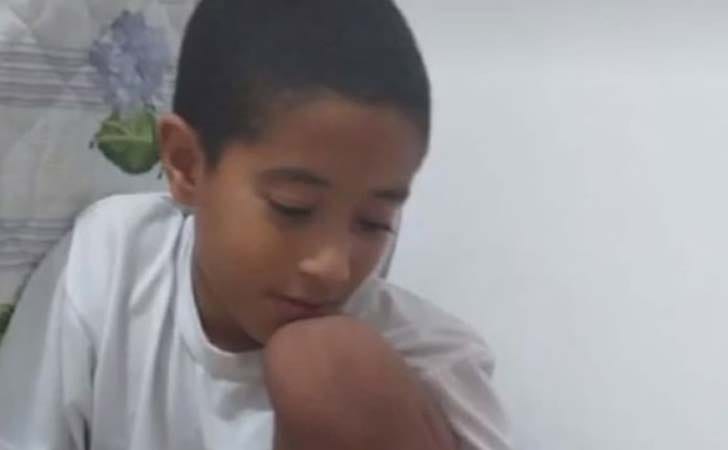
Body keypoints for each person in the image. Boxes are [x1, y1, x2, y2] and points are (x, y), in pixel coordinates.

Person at [0, 1, 511, 449]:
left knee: (323, 366)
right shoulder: (115, 260)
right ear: (186, 164)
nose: (333, 268)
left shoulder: (428, 361)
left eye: (374, 222)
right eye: (293, 208)